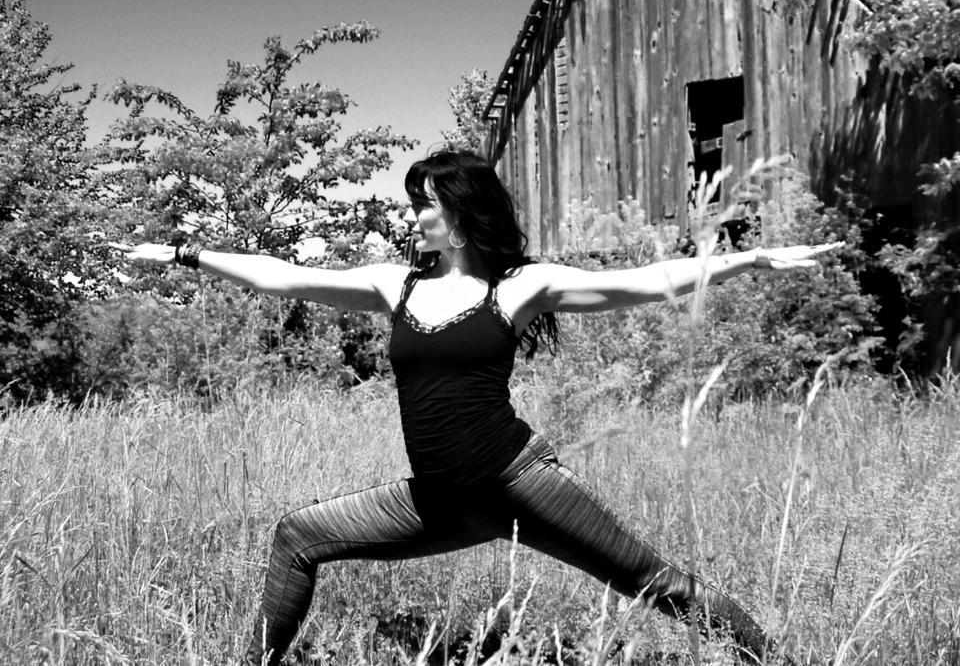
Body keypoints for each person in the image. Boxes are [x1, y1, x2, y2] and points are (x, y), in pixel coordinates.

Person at [114, 150, 838, 665]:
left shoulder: (519, 287)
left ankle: (777, 657)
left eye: (424, 204)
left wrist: (750, 259)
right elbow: (282, 277)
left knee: (659, 584)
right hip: (437, 501)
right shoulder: (391, 285)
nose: (415, 217)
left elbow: (643, 282)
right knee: (297, 535)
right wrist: (184, 253)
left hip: (518, 482)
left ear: (457, 209)